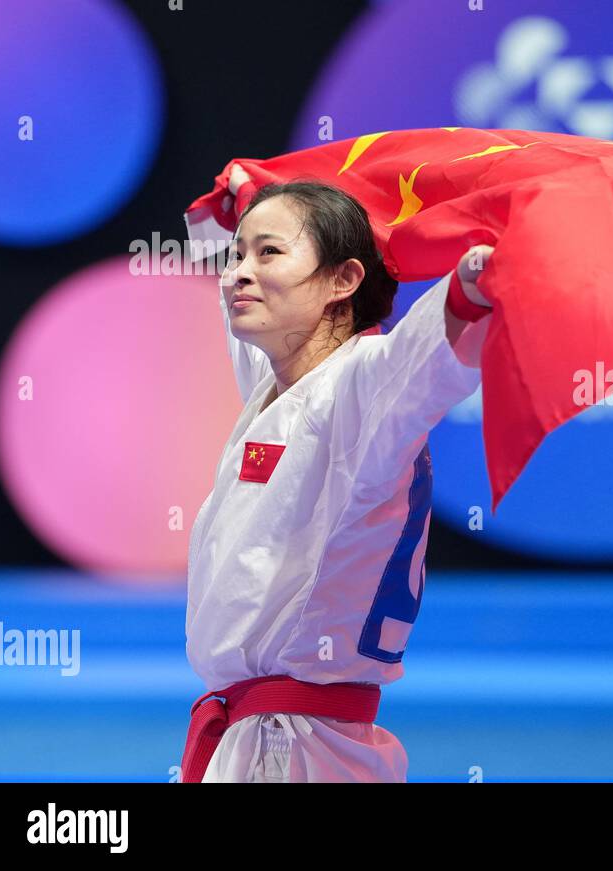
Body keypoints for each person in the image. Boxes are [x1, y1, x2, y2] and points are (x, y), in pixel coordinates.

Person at [179, 166, 494, 782]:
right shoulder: (282, 386)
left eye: (268, 253)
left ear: (343, 280)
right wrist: (245, 201)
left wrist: (470, 289)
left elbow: (424, 361)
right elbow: (248, 329)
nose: (238, 271)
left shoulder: (362, 388)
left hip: (302, 753)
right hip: (259, 737)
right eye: (237, 253)